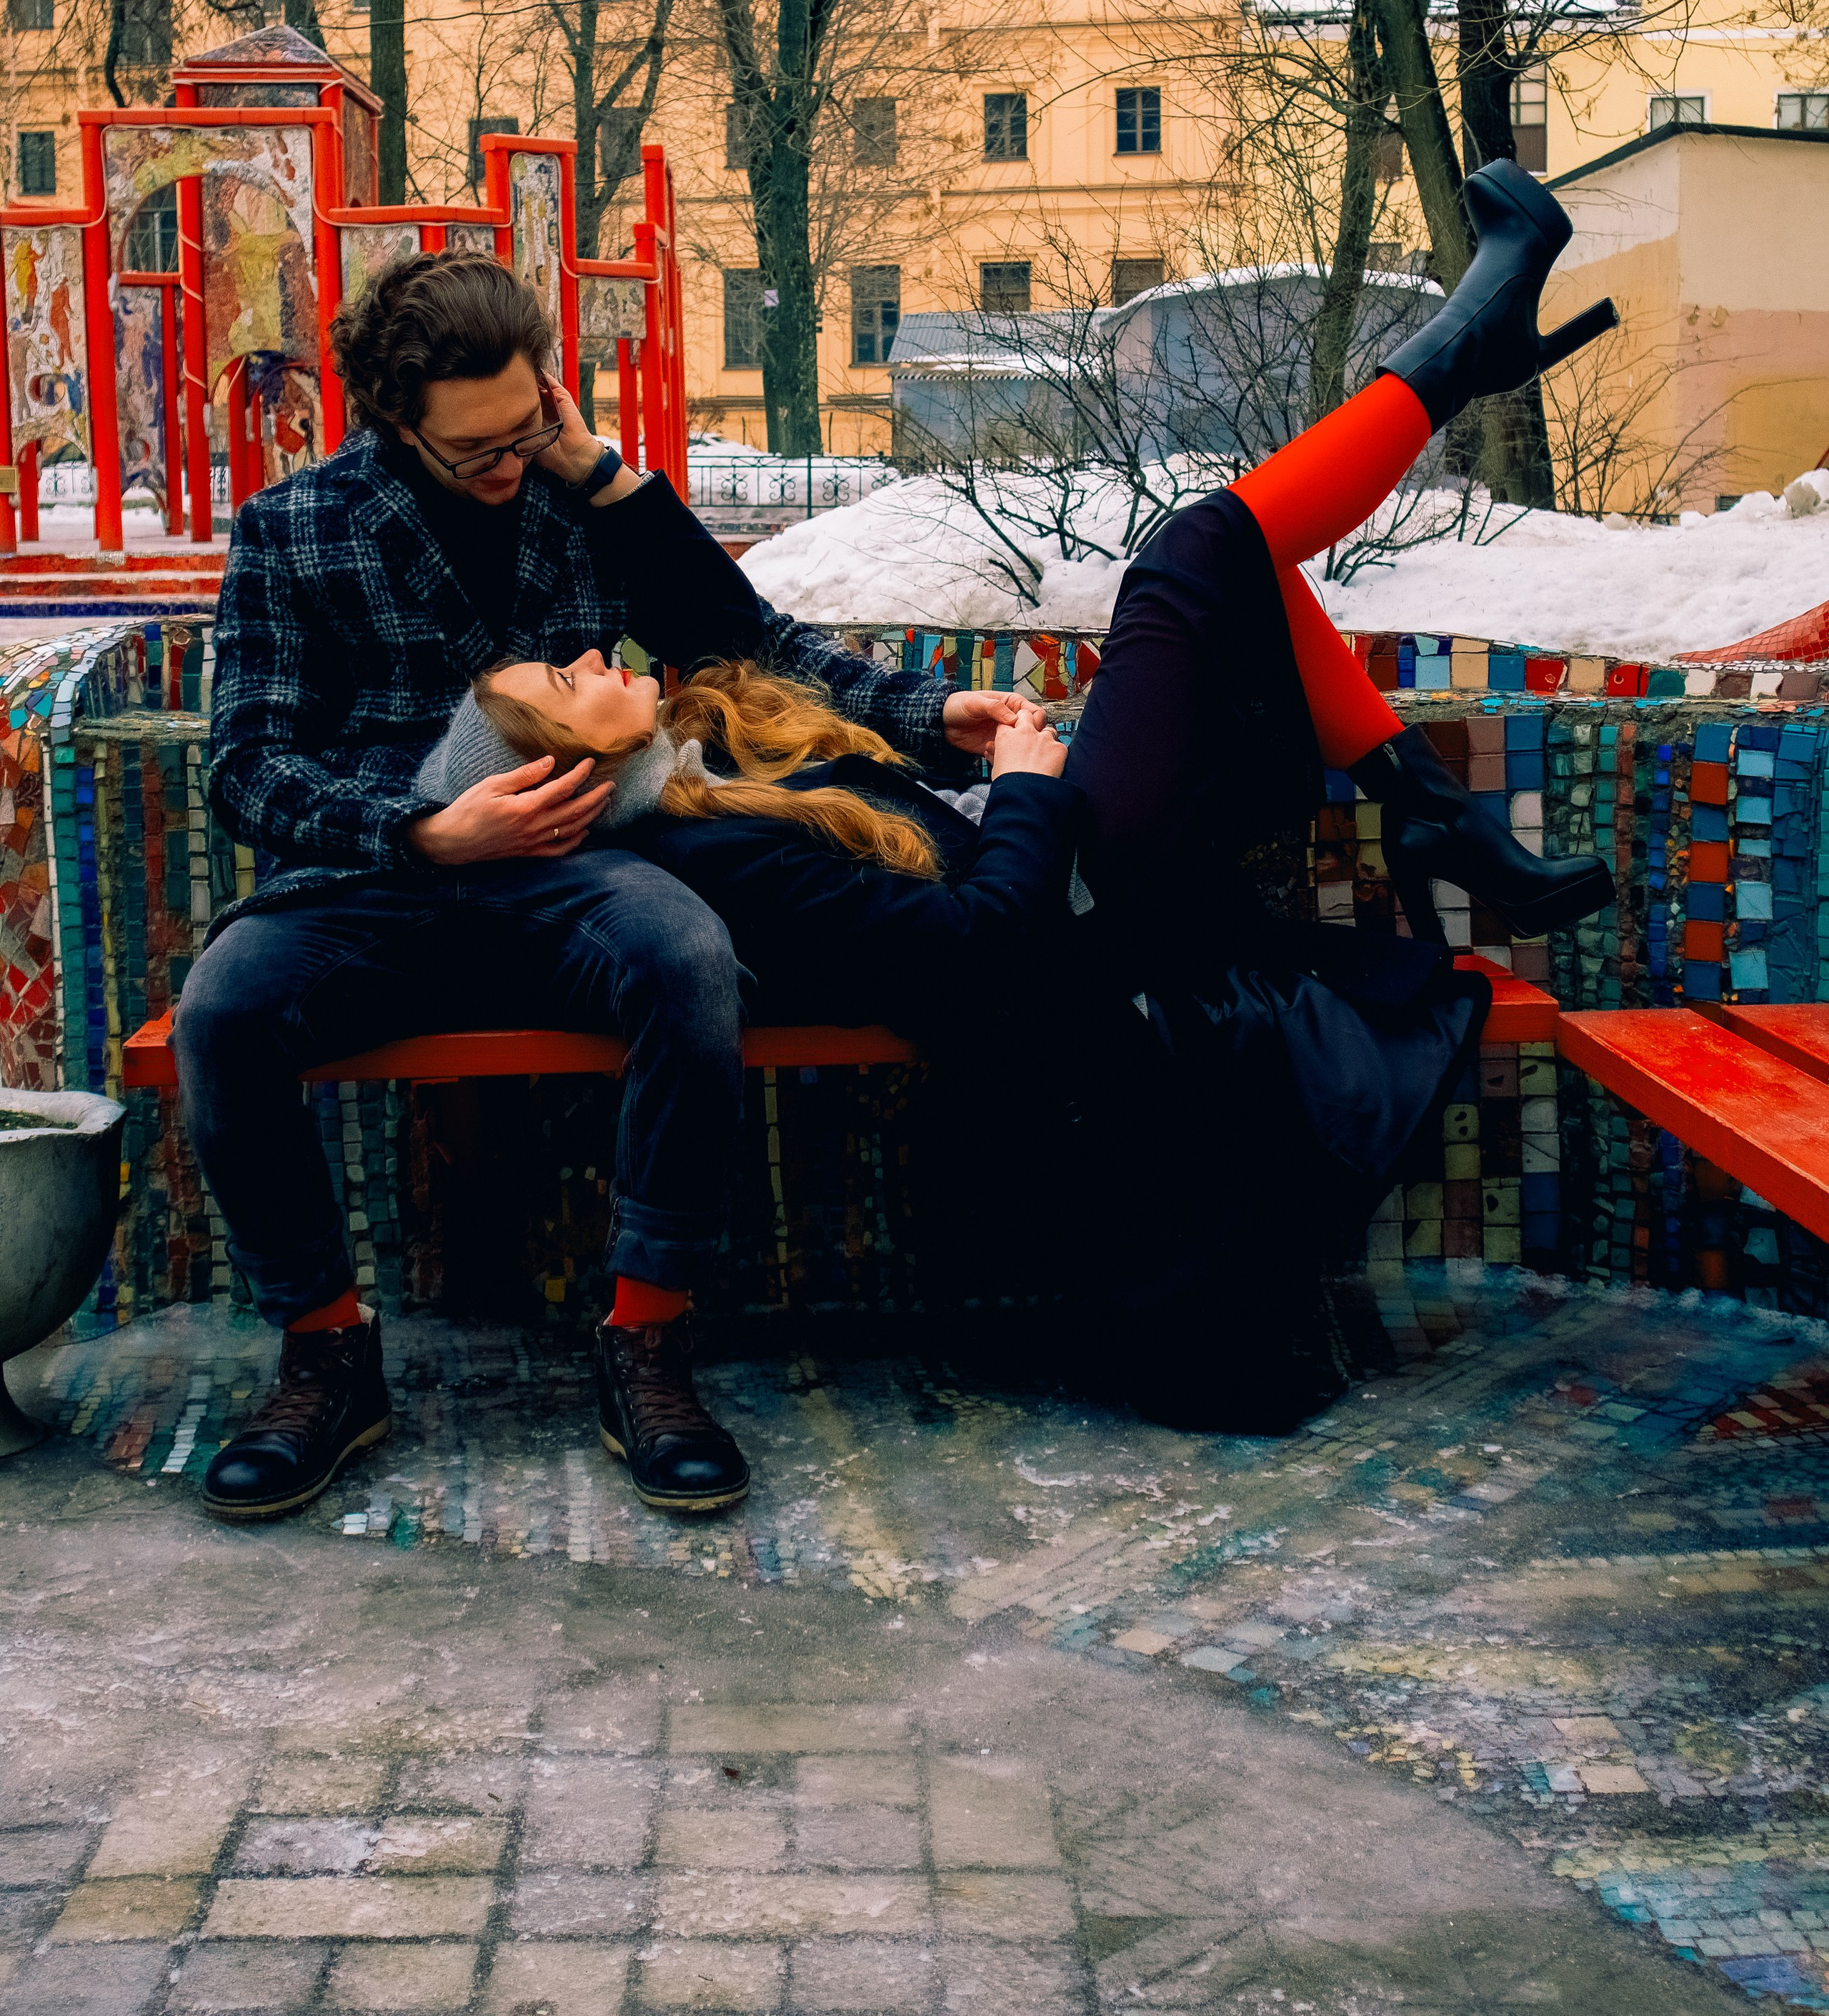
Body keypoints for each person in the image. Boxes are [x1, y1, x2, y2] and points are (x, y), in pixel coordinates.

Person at [428, 163, 1619, 1428]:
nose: (594, 654)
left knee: (1229, 567)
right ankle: (1454, 375)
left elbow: (748, 631)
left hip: (1059, 859)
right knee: (1200, 551)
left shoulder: (704, 754)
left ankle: (1423, 785)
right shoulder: (710, 854)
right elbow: (976, 951)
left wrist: (955, 739)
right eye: (565, 680)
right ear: (571, 770)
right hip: (1080, 913)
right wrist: (1028, 791)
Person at [176, 250, 1026, 1525]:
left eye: (528, 427)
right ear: (393, 419)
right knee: (223, 1009)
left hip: (580, 871)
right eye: (476, 453)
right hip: (385, 875)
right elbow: (245, 767)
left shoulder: (582, 497)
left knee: (687, 956)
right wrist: (419, 830)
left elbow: (748, 646)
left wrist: (927, 710)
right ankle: (326, 1352)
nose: (507, 465)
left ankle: (646, 1339)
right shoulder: (297, 529)